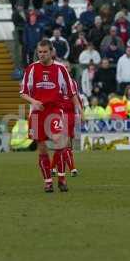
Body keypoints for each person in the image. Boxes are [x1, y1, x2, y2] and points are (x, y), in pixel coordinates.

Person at [20, 39, 82, 193]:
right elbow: (23, 93)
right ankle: (48, 181)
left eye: (44, 52)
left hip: (54, 111)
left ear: (51, 52)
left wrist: (78, 110)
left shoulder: (61, 69)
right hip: (36, 113)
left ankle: (61, 178)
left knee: (60, 144)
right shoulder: (31, 69)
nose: (41, 55)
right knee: (42, 149)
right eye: (39, 52)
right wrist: (33, 101)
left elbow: (71, 93)